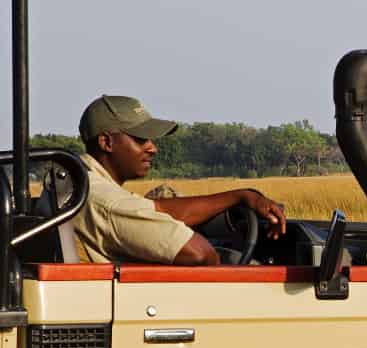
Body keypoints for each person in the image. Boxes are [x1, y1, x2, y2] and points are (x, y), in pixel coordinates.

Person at [73, 95, 287, 264]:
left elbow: (155, 208)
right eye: (140, 139)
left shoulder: (80, 182)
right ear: (106, 142)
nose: (152, 148)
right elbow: (200, 254)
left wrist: (240, 196)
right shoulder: (108, 202)